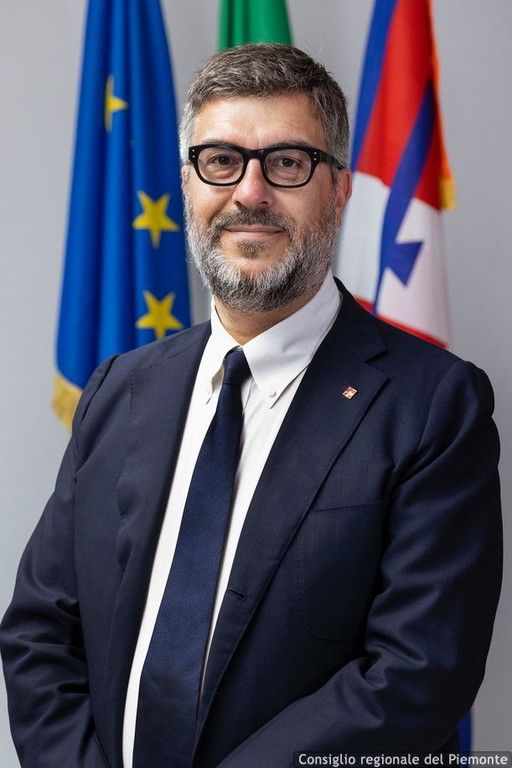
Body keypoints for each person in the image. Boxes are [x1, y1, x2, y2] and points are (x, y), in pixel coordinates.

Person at [0, 44, 502, 768]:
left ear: (340, 190)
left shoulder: (433, 405)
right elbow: (39, 635)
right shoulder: (120, 389)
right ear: (187, 184)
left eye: (287, 163)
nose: (250, 193)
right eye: (221, 161)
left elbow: (417, 676)